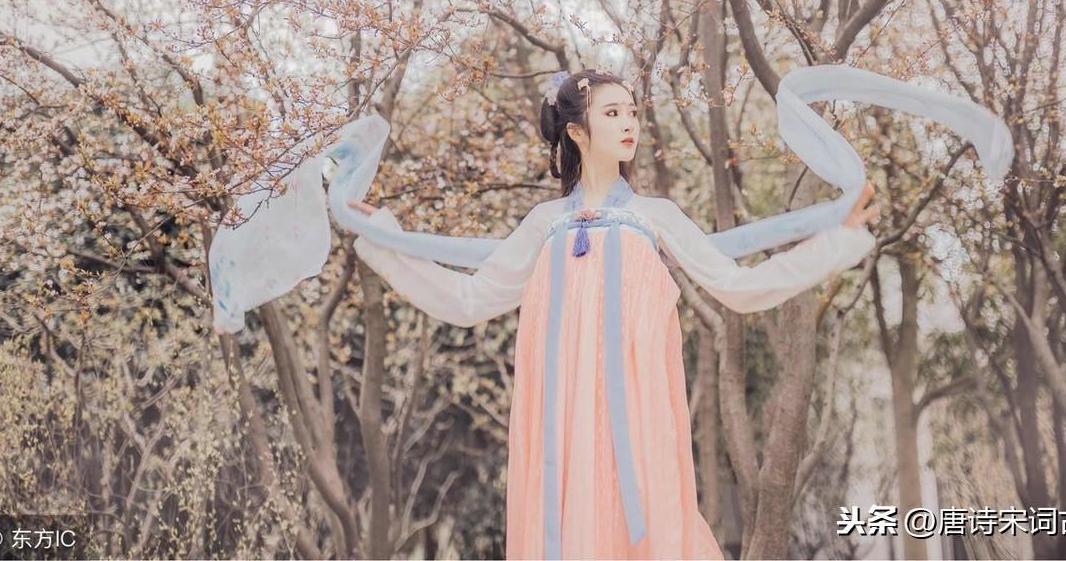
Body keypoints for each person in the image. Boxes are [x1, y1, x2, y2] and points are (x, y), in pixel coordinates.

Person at [347, 68, 881, 560]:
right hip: (560, 429)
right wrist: (387, 242)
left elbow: (738, 288)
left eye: (632, 112)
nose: (629, 123)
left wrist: (837, 244)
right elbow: (469, 301)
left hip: (639, 423)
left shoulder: (656, 217)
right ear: (576, 132)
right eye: (612, 113)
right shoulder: (544, 224)